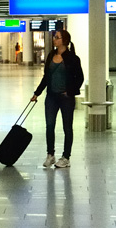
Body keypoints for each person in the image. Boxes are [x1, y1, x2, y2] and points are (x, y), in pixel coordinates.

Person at [30, 29, 84, 169]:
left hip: (66, 98)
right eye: (55, 37)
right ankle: (50, 154)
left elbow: (80, 78)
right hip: (51, 96)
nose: (55, 39)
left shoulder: (73, 58)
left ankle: (66, 157)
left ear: (64, 41)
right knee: (49, 125)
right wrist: (37, 93)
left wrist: (70, 91)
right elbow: (46, 77)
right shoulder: (50, 56)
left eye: (57, 37)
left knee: (67, 127)